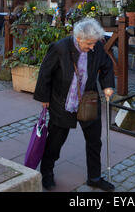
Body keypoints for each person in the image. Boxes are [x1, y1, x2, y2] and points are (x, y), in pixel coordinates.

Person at [33, 17, 115, 191]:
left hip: (88, 101)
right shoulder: (60, 48)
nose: (92, 47)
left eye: (94, 43)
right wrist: (44, 98)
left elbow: (107, 65)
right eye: (89, 44)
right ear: (78, 38)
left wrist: (107, 85)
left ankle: (94, 177)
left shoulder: (97, 47)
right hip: (63, 102)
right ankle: (46, 172)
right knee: (55, 141)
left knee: (94, 141)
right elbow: (45, 73)